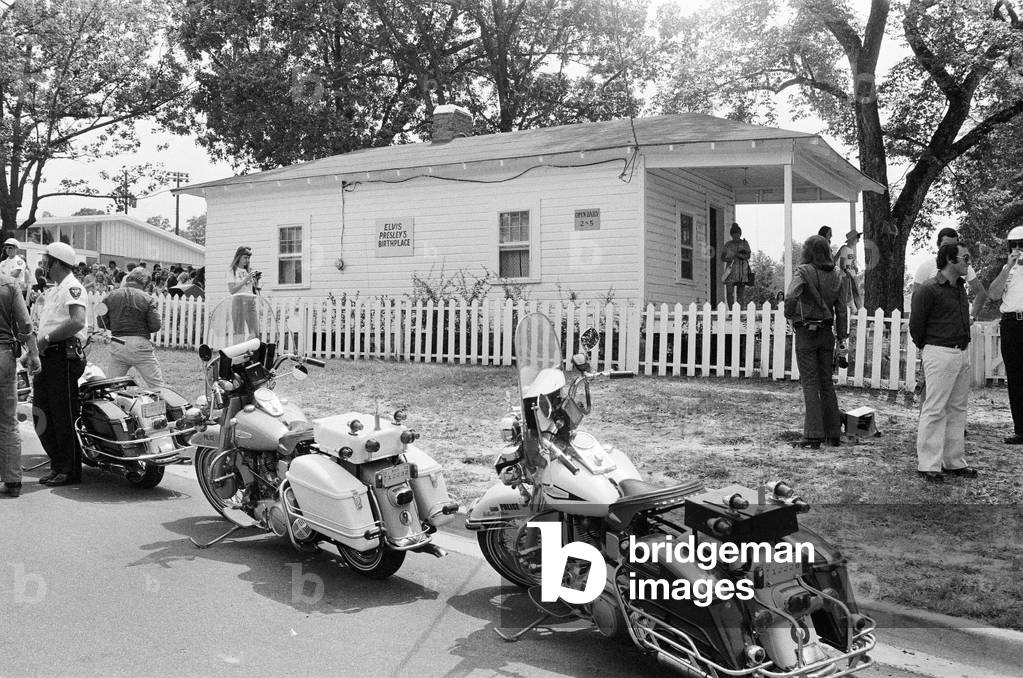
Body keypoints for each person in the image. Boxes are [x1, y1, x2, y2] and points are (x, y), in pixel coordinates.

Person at [909, 243, 978, 483]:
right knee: (935, 407)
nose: (969, 262)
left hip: (961, 352)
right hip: (939, 352)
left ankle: (954, 462)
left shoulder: (960, 287)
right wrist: (930, 348)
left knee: (958, 409)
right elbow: (916, 326)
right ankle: (928, 464)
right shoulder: (928, 290)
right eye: (966, 257)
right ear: (950, 259)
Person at [784, 235, 848, 449]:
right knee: (827, 383)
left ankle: (813, 435)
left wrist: (790, 314)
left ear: (807, 252)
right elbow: (841, 310)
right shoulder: (838, 275)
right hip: (827, 332)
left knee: (810, 383)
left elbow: (791, 296)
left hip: (806, 331)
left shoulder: (803, 271)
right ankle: (833, 433)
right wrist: (841, 336)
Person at [34, 242, 88, 487]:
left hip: (62, 357)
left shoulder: (73, 288)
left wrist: (47, 339)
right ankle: (57, 463)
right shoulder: (56, 289)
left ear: (56, 262)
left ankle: (69, 469)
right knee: (41, 414)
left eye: (46, 261)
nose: (43, 265)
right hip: (47, 357)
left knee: (62, 414)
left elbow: (77, 322)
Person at [0, 268, 41, 498]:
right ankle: (13, 479)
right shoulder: (9, 284)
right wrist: (33, 353)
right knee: (7, 420)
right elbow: (25, 325)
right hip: (4, 356)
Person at [99, 267, 166, 390]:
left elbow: (101, 321)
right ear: (145, 283)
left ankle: (113, 408)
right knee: (157, 387)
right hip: (140, 344)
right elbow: (155, 325)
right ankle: (166, 408)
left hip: (118, 343)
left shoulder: (110, 296)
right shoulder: (147, 298)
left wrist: (115, 326)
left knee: (111, 388)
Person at [987, 225, 1023, 445]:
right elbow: (993, 294)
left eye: (1022, 244)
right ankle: (1021, 429)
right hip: (1011, 324)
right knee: (1016, 378)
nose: (1018, 249)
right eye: (1014, 245)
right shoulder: (1007, 270)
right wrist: (1007, 269)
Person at [913, 227, 987, 317]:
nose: (949, 249)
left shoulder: (965, 268)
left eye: (953, 245)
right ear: (938, 245)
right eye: (946, 245)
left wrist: (972, 317)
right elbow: (916, 300)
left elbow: (981, 293)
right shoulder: (925, 267)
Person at [229, 246, 260, 338]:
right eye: (245, 257)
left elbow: (251, 288)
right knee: (239, 331)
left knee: (254, 332)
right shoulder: (232, 271)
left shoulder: (249, 271)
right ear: (238, 257)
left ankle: (249, 350)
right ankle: (239, 351)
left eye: (248, 258)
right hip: (239, 302)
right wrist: (245, 280)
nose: (247, 260)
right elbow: (232, 290)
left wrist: (256, 281)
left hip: (250, 302)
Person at [721, 223, 752, 307]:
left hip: (741, 270)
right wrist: (730, 259)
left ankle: (739, 310)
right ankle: (731, 310)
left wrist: (740, 255)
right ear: (731, 235)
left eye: (737, 235)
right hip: (730, 271)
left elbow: (748, 255)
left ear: (740, 234)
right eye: (734, 235)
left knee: (740, 293)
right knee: (729, 292)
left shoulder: (744, 243)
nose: (736, 237)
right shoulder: (728, 244)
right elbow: (722, 257)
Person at [835, 228, 863, 312]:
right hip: (846, 275)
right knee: (848, 293)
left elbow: (852, 262)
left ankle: (858, 309)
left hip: (852, 274)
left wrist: (855, 267)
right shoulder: (844, 249)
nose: (858, 240)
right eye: (857, 238)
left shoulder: (851, 250)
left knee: (855, 292)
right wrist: (846, 271)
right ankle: (852, 309)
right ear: (852, 239)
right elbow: (842, 263)